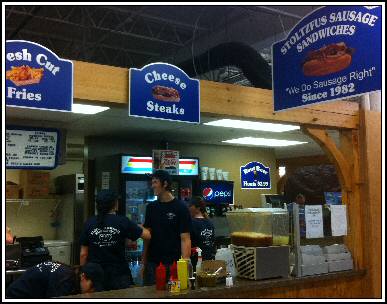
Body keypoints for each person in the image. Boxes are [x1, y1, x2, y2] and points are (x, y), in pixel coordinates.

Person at [79, 189, 151, 291]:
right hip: (118, 275)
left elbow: (83, 254)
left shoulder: (89, 223)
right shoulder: (122, 221)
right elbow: (147, 235)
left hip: (95, 276)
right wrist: (136, 225)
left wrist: (83, 274)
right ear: (114, 204)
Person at [142, 170, 192, 285]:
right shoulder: (151, 207)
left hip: (173, 263)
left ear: (165, 184)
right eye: (152, 182)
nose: (152, 185)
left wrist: (185, 264)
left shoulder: (181, 208)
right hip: (153, 263)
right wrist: (143, 262)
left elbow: (185, 238)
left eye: (155, 182)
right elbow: (147, 238)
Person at [6, 261, 104, 298]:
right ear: (83, 276)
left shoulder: (69, 273)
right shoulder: (65, 281)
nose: (91, 292)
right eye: (92, 287)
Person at [187, 196, 216, 271]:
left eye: (190, 206)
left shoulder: (191, 223)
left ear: (198, 208)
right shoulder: (210, 223)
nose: (188, 208)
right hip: (209, 260)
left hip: (195, 261)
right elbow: (212, 242)